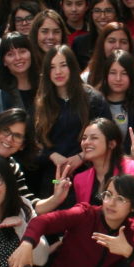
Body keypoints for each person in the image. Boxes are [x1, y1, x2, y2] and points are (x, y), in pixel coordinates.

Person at [70, 118, 134, 230]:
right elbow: (83, 217)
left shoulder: (132, 169)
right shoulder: (80, 179)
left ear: (112, 144)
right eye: (84, 138)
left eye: (94, 138)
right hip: (94, 242)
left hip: (129, 241)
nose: (86, 142)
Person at [34, 45, 112, 184]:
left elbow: (108, 137)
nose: (58, 72)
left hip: (89, 173)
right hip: (54, 177)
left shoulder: (93, 99)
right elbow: (33, 142)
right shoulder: (41, 102)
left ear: (72, 66)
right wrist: (52, 155)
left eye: (63, 65)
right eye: (52, 67)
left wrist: (82, 157)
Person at [96, 49, 134, 138]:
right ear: (106, 75)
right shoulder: (95, 104)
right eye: (113, 73)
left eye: (124, 73)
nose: (118, 78)